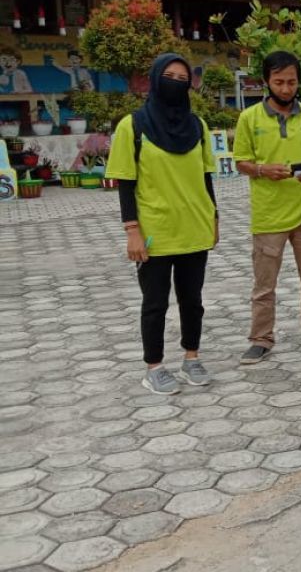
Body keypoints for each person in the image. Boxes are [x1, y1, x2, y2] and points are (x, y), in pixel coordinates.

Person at [106, 53, 217, 395]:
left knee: (193, 300)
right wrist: (132, 231)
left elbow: (206, 176)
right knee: (155, 303)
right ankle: (154, 366)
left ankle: (191, 357)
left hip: (195, 227)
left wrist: (214, 217)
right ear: (155, 79)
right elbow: (126, 182)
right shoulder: (133, 125)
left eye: (182, 78)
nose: (175, 82)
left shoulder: (197, 126)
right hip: (154, 231)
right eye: (169, 75)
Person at [233, 51, 301, 364]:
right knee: (264, 285)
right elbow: (240, 161)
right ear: (266, 81)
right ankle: (261, 339)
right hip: (268, 213)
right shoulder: (249, 118)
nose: (286, 88)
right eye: (278, 82)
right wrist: (264, 170)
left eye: (291, 82)